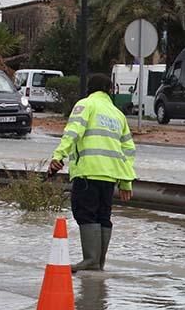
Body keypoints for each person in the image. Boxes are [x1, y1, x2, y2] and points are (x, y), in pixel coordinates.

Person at [47, 73, 137, 272]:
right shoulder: (117, 114)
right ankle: (98, 263)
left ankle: (90, 260)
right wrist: (126, 181)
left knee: (85, 214)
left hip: (88, 172)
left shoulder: (86, 105)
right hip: (111, 176)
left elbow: (72, 132)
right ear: (110, 90)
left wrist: (58, 156)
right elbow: (129, 150)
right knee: (103, 216)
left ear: (89, 88)